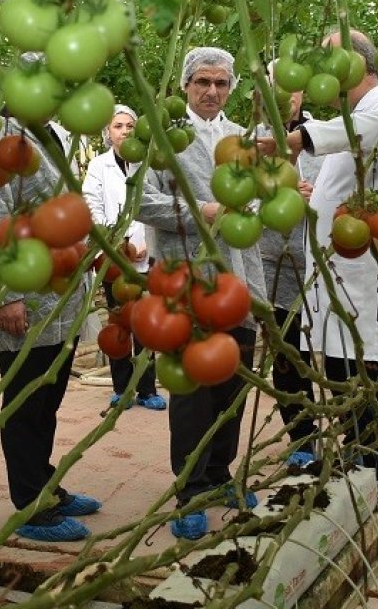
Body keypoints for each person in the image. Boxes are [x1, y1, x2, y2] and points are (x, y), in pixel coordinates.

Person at [257, 29, 378, 559]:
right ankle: (364, 507)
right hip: (337, 292)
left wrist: (293, 137)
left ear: (355, 64)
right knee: (353, 408)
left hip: (370, 291)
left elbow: (353, 134)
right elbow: (324, 162)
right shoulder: (350, 122)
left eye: (326, 57)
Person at [136, 47, 267, 541]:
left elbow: (256, 201)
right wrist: (201, 213)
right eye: (202, 82)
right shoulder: (163, 138)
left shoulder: (241, 139)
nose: (212, 91)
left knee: (232, 383)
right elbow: (142, 202)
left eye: (221, 84)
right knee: (192, 389)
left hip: (238, 280)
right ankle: (189, 489)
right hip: (185, 283)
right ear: (185, 86)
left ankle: (219, 475)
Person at [0, 112, 102, 541]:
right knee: (26, 401)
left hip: (59, 288)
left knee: (48, 397)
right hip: (25, 291)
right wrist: (8, 294)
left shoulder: (47, 133)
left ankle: (45, 487)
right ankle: (29, 506)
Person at [255, 79, 323, 467]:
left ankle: (344, 428)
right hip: (272, 264)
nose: (286, 96)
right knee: (287, 356)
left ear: (302, 95)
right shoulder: (249, 142)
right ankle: (302, 438)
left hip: (319, 262)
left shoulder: (324, 138)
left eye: (292, 88)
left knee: (332, 353)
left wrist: (322, 195)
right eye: (275, 88)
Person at [81, 105, 165, 411]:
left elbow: (153, 204)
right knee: (118, 323)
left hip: (145, 257)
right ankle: (121, 389)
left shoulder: (147, 164)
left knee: (145, 323)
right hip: (113, 260)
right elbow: (92, 207)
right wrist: (118, 244)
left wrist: (141, 241)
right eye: (118, 126)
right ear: (108, 132)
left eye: (130, 126)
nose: (125, 131)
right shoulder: (98, 166)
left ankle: (146, 388)